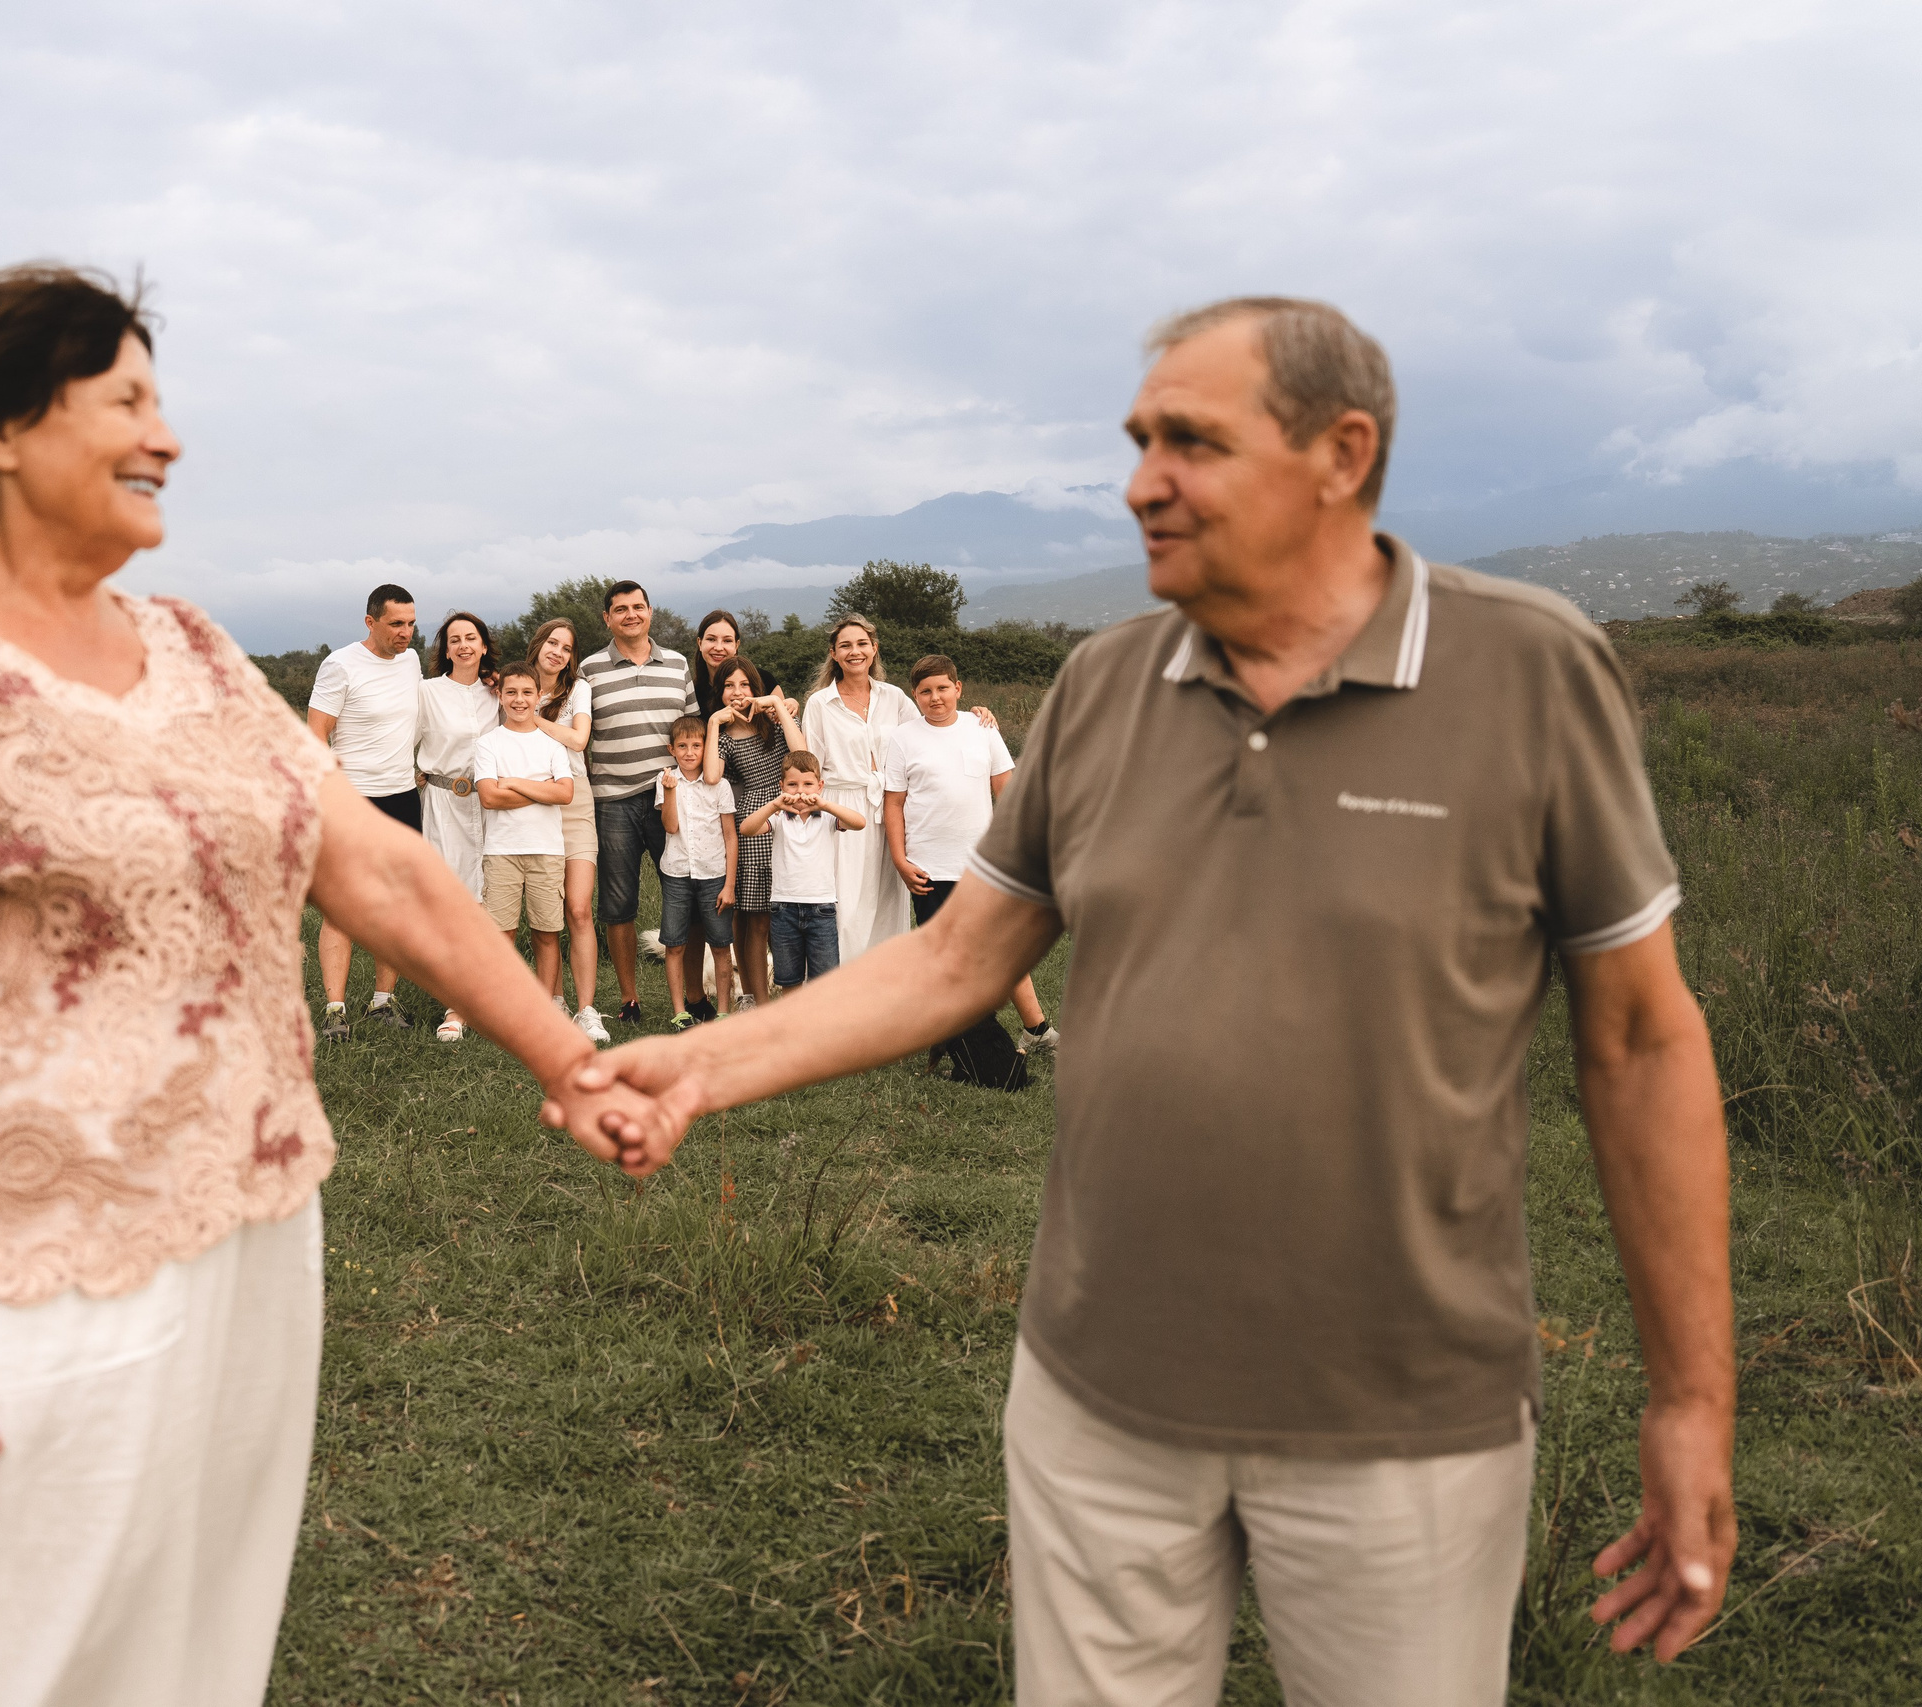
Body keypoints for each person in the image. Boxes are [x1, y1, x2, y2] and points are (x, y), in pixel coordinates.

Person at [561, 296, 1735, 1705]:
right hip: (1094, 1395)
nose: (1139, 482)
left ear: (1341, 453)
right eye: (1137, 440)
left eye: (1192, 442)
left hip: (1403, 1416)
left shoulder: (1530, 671)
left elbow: (1642, 1033)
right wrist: (703, 1064)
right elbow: (954, 959)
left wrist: (1689, 1395)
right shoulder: (1105, 686)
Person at [0, 265, 655, 1707]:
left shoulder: (196, 651)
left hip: (256, 1232)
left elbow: (387, 876)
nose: (166, 436)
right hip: (31, 1270)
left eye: (162, 402)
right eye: (127, 400)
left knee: (198, 1662)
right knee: (29, 1669)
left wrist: (572, 1057)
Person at [881, 654, 1053, 1049]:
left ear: (958, 688)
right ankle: (949, 1038)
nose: (935, 697)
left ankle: (1037, 1030)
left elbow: (1006, 793)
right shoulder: (903, 738)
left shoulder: (983, 728)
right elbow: (893, 803)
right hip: (928, 866)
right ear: (915, 696)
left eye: (943, 688)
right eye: (925, 691)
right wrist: (900, 859)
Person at [307, 583, 422, 1039]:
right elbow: (315, 735)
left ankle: (383, 1001)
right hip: (352, 799)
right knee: (342, 908)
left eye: (412, 623)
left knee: (393, 903)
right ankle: (335, 1012)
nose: (406, 633)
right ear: (370, 622)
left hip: (402, 797)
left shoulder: (411, 661)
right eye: (396, 624)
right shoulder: (340, 665)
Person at [580, 581, 697, 1025]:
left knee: (683, 893)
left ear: (651, 612)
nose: (631, 615)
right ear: (607, 619)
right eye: (620, 609)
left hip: (668, 797)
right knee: (618, 903)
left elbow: (692, 728)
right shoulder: (589, 669)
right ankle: (629, 998)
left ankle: (691, 995)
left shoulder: (678, 663)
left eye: (638, 607)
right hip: (612, 801)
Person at [798, 614, 920, 962]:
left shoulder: (893, 697)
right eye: (846, 646)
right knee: (846, 905)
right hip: (842, 807)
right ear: (833, 654)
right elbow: (812, 765)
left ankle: (884, 989)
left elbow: (927, 732)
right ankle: (839, 989)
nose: (855, 651)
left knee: (888, 901)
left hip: (889, 805)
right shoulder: (821, 703)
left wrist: (975, 716)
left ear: (874, 649)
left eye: (862, 644)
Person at [473, 662, 578, 1028]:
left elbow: (565, 793)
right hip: (501, 851)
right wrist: (540, 788)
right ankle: (501, 1007)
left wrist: (513, 782)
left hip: (546, 850)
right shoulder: (488, 744)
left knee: (546, 932)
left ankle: (544, 1006)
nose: (519, 700)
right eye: (512, 693)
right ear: (500, 697)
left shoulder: (551, 743)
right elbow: (489, 797)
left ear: (539, 697)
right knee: (501, 934)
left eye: (527, 693)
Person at [700, 656, 805, 1007]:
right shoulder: (726, 738)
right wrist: (715, 721)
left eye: (745, 685)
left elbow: (802, 754)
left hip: (790, 817)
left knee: (789, 913)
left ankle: (793, 993)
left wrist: (775, 703)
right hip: (755, 822)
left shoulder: (774, 723)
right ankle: (758, 1000)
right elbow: (712, 777)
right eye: (729, 686)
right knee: (755, 920)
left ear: (756, 689)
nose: (738, 692)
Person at [526, 617, 611, 1044]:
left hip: (576, 803)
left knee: (579, 908)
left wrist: (530, 715)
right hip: (532, 805)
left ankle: (587, 1009)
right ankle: (554, 1001)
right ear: (538, 645)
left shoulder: (578, 690)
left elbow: (578, 741)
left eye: (566, 647)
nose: (558, 652)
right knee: (547, 915)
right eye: (552, 643)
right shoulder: (515, 684)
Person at [418, 611, 502, 1041]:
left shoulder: (499, 694)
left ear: (484, 645)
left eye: (472, 638)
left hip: (492, 807)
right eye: (455, 640)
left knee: (490, 903)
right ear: (445, 649)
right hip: (443, 805)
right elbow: (405, 743)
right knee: (451, 904)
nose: (464, 645)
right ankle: (455, 1004)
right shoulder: (427, 692)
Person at [734, 749, 864, 992]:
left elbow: (859, 822)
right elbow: (747, 829)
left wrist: (825, 804)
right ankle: (792, 1028)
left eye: (808, 784)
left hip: (821, 908)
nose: (800, 790)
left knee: (824, 982)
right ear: (781, 786)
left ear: (820, 786)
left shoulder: (826, 816)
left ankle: (820, 1028)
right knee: (789, 981)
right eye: (792, 784)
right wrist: (774, 804)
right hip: (784, 908)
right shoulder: (780, 817)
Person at [653, 715, 738, 1026]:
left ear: (706, 748)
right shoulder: (665, 781)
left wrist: (729, 885)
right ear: (672, 749)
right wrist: (670, 790)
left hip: (714, 874)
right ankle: (680, 1012)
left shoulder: (720, 786)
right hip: (677, 874)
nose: (690, 752)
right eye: (683, 746)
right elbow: (671, 826)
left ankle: (725, 1011)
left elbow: (731, 836)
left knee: (720, 944)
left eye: (697, 746)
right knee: (674, 944)